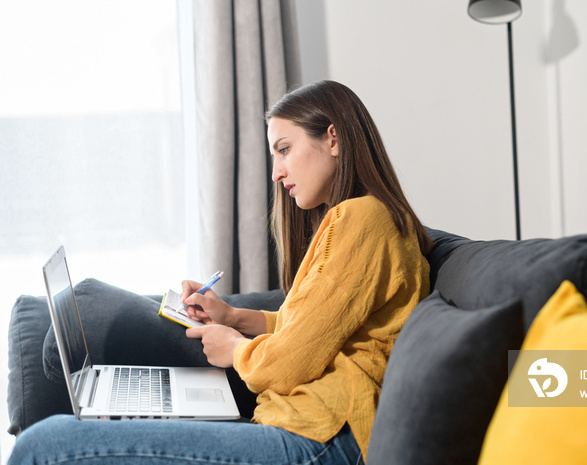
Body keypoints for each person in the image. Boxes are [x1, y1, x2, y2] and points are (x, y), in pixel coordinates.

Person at [8, 80, 432, 465]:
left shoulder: (364, 220)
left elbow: (287, 364)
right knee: (59, 437)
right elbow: (307, 328)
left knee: (44, 444)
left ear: (333, 139)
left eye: (284, 149)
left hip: (324, 438)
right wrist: (232, 317)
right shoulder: (360, 220)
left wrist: (235, 349)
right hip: (303, 426)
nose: (276, 172)